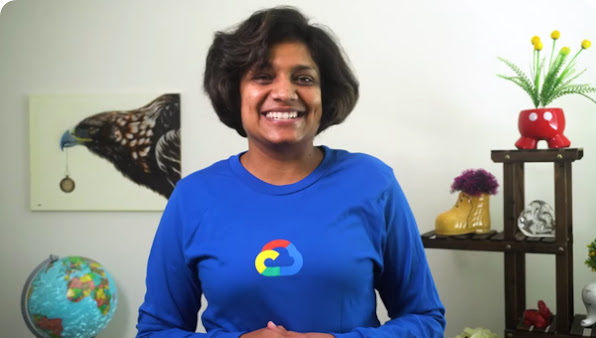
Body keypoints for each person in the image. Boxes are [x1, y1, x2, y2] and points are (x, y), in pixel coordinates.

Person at [136, 6, 445, 338]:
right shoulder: (193, 197)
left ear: (324, 96)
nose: (284, 93)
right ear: (234, 92)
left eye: (304, 78)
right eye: (262, 77)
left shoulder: (373, 183)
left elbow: (425, 319)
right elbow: (156, 331)